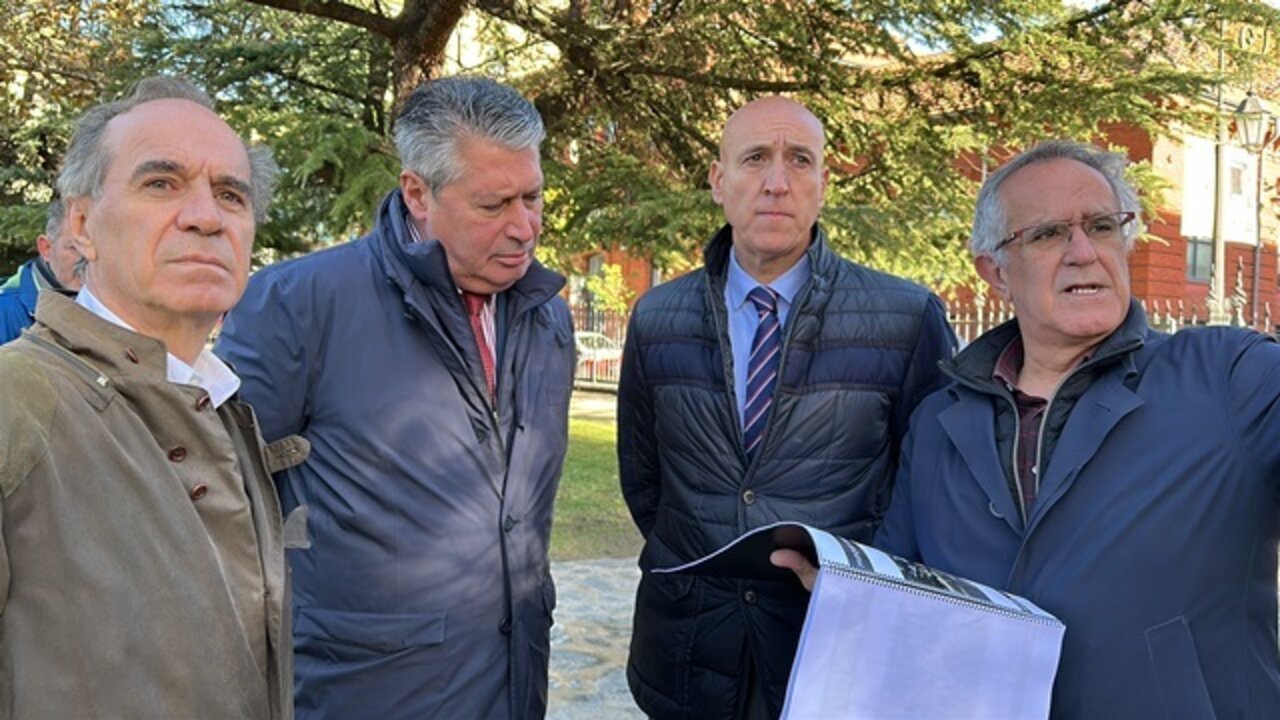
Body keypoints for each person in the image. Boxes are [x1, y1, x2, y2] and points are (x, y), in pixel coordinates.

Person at [778, 139, 1280, 717]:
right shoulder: (939, 424)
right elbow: (905, 586)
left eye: (1101, 225)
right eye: (1047, 234)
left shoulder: (1227, 377)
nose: (1084, 252)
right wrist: (848, 597)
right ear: (994, 271)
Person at [215, 76, 574, 720]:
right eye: (494, 205)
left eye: (533, 197)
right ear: (417, 193)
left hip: (516, 683)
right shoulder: (296, 304)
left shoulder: (549, 316)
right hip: (367, 691)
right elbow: (223, 505)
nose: (525, 227)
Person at [618, 95, 955, 719]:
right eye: (755, 159)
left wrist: (855, 584)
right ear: (720, 182)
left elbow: (928, 495)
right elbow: (645, 482)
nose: (777, 181)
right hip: (688, 653)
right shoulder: (656, 316)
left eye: (800, 160)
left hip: (831, 651)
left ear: (823, 184)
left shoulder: (906, 318)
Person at [0, 76, 299, 719]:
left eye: (230, 194)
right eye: (161, 183)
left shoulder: (220, 406)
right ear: (81, 224)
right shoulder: (14, 405)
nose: (205, 216)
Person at [0, 198, 83, 343]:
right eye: (74, 248)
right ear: (46, 248)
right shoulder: (5, 310)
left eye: (96, 248)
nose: (88, 259)